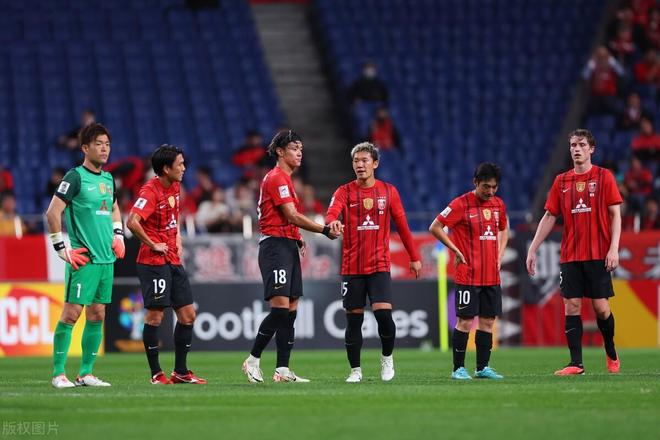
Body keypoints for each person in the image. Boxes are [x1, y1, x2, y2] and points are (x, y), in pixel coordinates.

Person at [242, 130, 341, 383]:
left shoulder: (285, 179)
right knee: (279, 309)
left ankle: (283, 369)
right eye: (294, 148)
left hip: (286, 245)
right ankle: (252, 360)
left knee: (291, 310)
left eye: (301, 149)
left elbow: (286, 218)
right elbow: (292, 215)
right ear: (280, 151)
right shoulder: (277, 178)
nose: (299, 153)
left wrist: (296, 237)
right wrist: (324, 230)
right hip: (274, 247)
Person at [526, 129, 622, 375]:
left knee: (601, 308)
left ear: (591, 149)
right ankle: (575, 363)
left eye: (581, 145)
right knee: (571, 306)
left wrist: (613, 248)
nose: (576, 149)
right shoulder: (561, 181)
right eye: (572, 145)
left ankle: (611, 351)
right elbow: (549, 216)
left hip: (598, 254)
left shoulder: (604, 176)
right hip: (570, 255)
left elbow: (615, 214)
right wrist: (533, 248)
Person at [325, 142, 422, 383]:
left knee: (384, 316)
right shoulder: (344, 191)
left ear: (375, 163)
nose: (360, 165)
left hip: (379, 265)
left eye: (364, 160)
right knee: (353, 321)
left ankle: (387, 359)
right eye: (356, 161)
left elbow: (403, 227)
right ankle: (355, 371)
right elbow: (331, 212)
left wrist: (414, 257)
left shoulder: (389, 192)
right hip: (352, 267)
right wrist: (332, 222)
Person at [45, 123, 125, 388]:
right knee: (71, 315)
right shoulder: (75, 177)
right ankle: (58, 374)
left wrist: (118, 235)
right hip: (85, 259)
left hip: (106, 260)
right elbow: (52, 212)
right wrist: (61, 249)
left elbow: (114, 208)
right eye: (98, 144)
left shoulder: (108, 179)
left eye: (107, 144)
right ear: (85, 148)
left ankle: (86, 373)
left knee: (97, 315)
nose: (104, 149)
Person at [126, 145, 206, 385]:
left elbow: (174, 214)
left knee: (188, 315)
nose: (184, 168)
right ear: (166, 169)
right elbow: (132, 221)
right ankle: (156, 374)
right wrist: (153, 243)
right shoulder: (150, 191)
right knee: (155, 316)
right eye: (180, 164)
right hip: (153, 262)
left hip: (173, 258)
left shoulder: (175, 185)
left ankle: (180, 372)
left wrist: (177, 237)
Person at [429, 163, 509, 380]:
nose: (490, 191)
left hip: (491, 276)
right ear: (475, 182)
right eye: (486, 187)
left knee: (488, 322)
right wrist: (455, 249)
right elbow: (435, 226)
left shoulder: (498, 205)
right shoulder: (460, 204)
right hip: (468, 275)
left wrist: (500, 254)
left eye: (494, 187)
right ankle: (458, 369)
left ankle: (482, 368)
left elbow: (504, 227)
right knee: (465, 321)